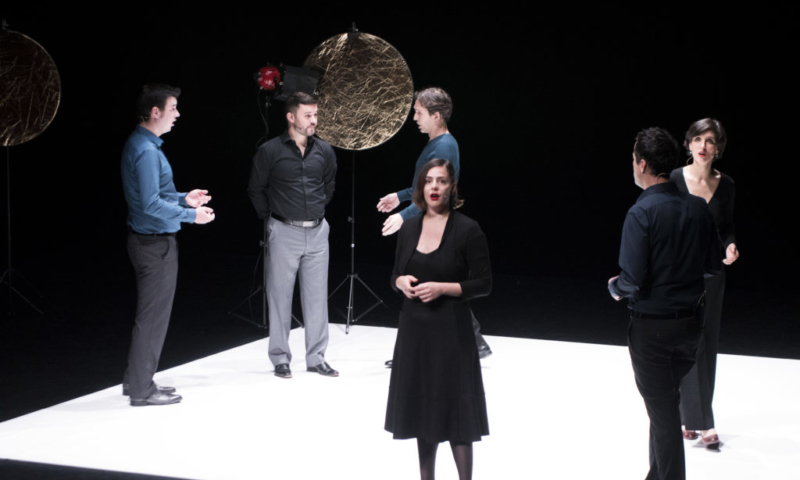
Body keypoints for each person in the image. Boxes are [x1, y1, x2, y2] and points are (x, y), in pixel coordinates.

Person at [608, 127, 722, 480]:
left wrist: (614, 287)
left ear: (642, 164)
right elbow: (713, 265)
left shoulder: (641, 213)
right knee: (664, 408)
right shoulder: (698, 208)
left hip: (653, 330)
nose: (633, 165)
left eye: (633, 159)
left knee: (664, 415)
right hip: (690, 328)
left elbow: (631, 280)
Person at [385, 159, 491, 480]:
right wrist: (400, 282)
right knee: (422, 412)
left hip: (452, 334)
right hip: (415, 333)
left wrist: (443, 288)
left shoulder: (468, 229)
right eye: (429, 180)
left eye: (441, 181)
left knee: (458, 414)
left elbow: (484, 284)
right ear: (422, 186)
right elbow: (395, 274)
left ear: (452, 187)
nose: (434, 187)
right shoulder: (409, 228)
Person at [377, 87, 492, 362]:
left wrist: (403, 216)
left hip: (435, 223)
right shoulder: (436, 143)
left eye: (419, 112)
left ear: (436, 115)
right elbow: (423, 183)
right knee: (426, 281)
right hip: (429, 219)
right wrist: (399, 196)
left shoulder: (443, 146)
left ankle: (429, 347)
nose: (414, 118)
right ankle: (473, 342)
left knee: (425, 281)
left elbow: (435, 191)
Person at [121, 83, 215, 406]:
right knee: (152, 319)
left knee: (149, 317)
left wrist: (183, 198)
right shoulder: (147, 151)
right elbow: (149, 204)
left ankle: (136, 379)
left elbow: (154, 196)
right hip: (154, 245)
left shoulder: (142, 144)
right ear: (155, 111)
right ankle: (141, 389)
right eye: (172, 108)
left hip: (148, 241)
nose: (177, 114)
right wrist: (191, 216)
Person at [247, 92, 338, 379]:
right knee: (279, 296)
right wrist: (271, 219)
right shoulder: (270, 151)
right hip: (284, 230)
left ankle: (316, 358)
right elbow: (256, 189)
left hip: (318, 231)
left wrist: (317, 211)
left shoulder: (324, 150)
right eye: (308, 115)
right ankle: (280, 357)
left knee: (317, 298)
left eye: (315, 115)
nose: (314, 120)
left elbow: (329, 186)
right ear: (291, 117)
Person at [671, 118, 738, 449]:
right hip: (680, 272)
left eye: (710, 141)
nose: (703, 146)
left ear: (718, 148)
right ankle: (698, 419)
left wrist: (730, 245)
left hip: (712, 273)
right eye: (698, 139)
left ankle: (695, 418)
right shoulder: (675, 179)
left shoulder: (726, 185)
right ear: (689, 143)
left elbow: (726, 228)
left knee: (706, 342)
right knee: (686, 341)